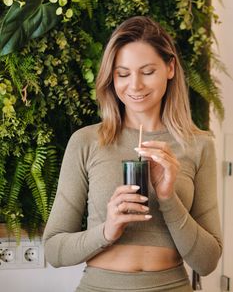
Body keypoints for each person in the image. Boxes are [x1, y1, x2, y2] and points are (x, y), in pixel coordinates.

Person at [43, 16, 222, 292]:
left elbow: (208, 261)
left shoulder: (198, 145)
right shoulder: (86, 141)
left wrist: (167, 198)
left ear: (170, 67)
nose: (135, 85)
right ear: (111, 77)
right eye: (123, 74)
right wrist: (107, 230)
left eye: (148, 71)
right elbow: (54, 250)